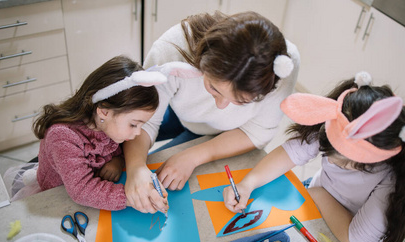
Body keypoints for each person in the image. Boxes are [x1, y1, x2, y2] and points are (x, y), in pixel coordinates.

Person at [223, 72, 405, 242]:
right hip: (321, 196)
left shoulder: (393, 178)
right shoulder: (340, 121)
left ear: (373, 161)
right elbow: (291, 152)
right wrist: (248, 184)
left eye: (344, 163)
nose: (331, 162)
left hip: (351, 236)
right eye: (330, 152)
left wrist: (316, 194)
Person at [123, 11, 300, 214]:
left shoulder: (283, 66)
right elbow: (146, 119)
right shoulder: (170, 50)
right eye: (214, 88)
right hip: (178, 109)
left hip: (227, 135)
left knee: (162, 176)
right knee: (120, 151)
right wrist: (136, 168)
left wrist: (192, 156)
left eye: (240, 101)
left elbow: (258, 132)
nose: (222, 106)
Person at [29, 55, 169, 211]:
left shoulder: (109, 125)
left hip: (93, 192)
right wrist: (133, 198)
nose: (138, 133)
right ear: (104, 112)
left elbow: (119, 150)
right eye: (134, 124)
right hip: (57, 199)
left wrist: (118, 160)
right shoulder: (61, 136)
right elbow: (82, 190)